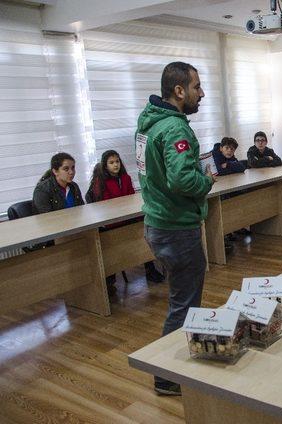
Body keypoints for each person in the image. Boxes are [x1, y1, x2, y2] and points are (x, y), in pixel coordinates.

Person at [135, 61, 215, 396]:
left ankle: (179, 366)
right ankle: (168, 377)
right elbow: (182, 178)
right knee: (183, 303)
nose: (202, 93)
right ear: (179, 91)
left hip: (157, 223)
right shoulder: (174, 129)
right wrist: (206, 181)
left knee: (179, 299)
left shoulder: (148, 122)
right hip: (176, 229)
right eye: (197, 87)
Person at [86, 150, 165, 297]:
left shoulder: (126, 177)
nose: (115, 165)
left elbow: (131, 198)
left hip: (128, 218)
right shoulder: (100, 182)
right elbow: (107, 205)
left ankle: (150, 269)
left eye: (117, 161)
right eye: (111, 162)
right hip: (112, 223)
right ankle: (109, 280)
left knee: (144, 229)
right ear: (105, 165)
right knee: (113, 243)